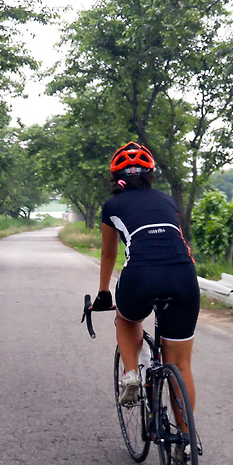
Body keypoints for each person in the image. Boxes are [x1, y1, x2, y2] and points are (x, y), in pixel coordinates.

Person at [90, 141, 199, 413]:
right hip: (183, 275)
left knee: (127, 318)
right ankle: (184, 437)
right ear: (150, 176)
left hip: (140, 275)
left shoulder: (112, 205)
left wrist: (103, 293)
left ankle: (130, 374)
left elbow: (108, 253)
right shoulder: (167, 200)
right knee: (181, 363)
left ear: (116, 178)